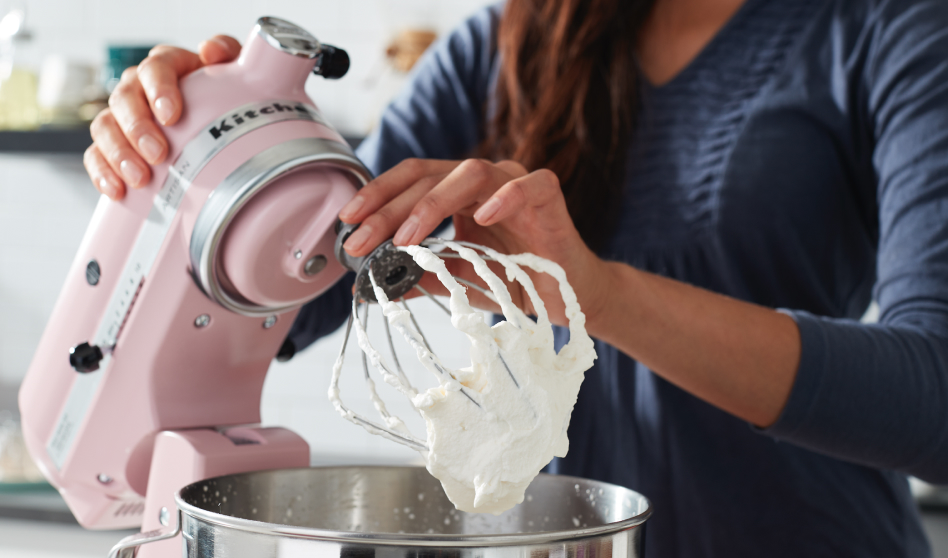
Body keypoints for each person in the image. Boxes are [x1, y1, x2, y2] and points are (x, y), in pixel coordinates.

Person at [82, 0, 948, 555]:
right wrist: (190, 162)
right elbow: (301, 288)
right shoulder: (502, 46)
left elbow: (934, 402)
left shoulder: (893, 30)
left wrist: (594, 293)